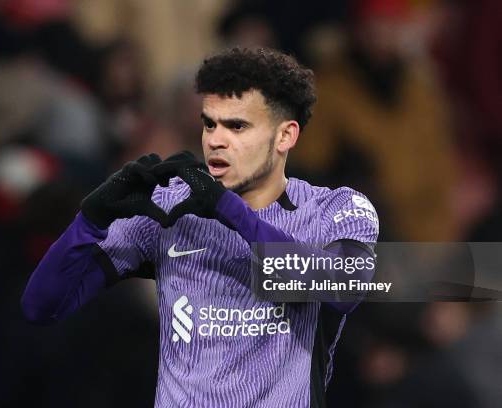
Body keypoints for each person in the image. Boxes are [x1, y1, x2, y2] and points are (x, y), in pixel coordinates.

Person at [21, 47, 379, 407]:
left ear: (285, 136)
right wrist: (90, 221)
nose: (216, 140)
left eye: (237, 125)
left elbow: (344, 290)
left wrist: (231, 212)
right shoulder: (171, 210)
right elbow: (42, 305)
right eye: (210, 123)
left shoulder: (336, 208)